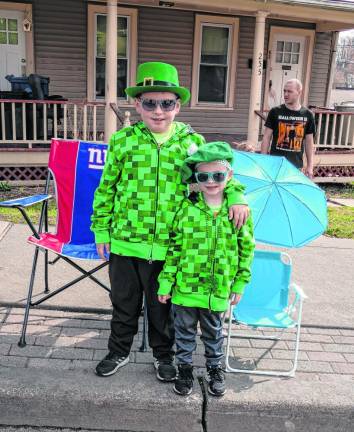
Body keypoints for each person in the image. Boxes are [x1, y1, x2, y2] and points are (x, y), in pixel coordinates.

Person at [90, 62, 250, 381]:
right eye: (150, 102)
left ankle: (164, 356)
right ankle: (119, 350)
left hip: (169, 245)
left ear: (177, 105)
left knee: (162, 306)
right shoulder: (123, 141)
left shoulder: (191, 143)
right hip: (125, 239)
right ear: (137, 104)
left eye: (166, 103)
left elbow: (217, 175)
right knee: (124, 302)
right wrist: (101, 228)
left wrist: (236, 196)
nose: (158, 111)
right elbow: (106, 187)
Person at [157, 141, 255, 396]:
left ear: (229, 176)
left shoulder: (239, 212)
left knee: (214, 336)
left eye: (218, 175)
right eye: (204, 176)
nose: (211, 181)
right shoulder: (186, 209)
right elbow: (174, 248)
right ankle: (185, 369)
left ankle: (214, 369)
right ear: (196, 178)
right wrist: (166, 282)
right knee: (185, 334)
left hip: (217, 290)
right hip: (185, 289)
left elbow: (247, 249)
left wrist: (240, 282)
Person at [261, 79, 316, 178]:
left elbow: (309, 142)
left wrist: (310, 166)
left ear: (299, 92)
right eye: (284, 91)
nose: (285, 94)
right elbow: (266, 137)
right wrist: (263, 160)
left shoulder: (308, 115)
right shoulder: (275, 112)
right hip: (275, 164)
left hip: (296, 166)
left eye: (289, 91)